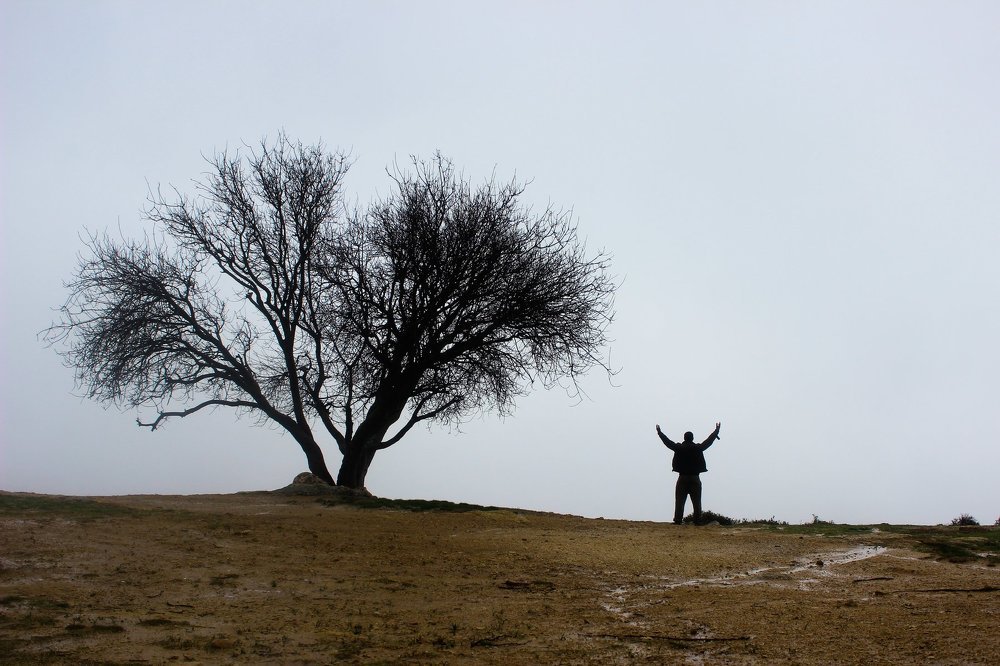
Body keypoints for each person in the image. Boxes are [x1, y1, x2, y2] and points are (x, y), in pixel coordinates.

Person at [656, 422, 721, 525]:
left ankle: (678, 520)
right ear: (692, 438)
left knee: (680, 501)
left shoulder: (679, 447)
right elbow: (708, 441)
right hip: (695, 478)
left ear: (684, 438)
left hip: (682, 478)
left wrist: (659, 432)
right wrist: (716, 430)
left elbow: (667, 442)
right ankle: (697, 521)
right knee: (697, 502)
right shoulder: (698, 448)